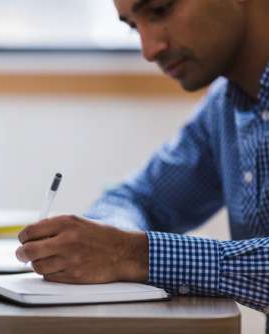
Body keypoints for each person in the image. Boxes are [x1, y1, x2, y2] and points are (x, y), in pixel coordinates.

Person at [15, 0, 269, 323]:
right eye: (134, 26)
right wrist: (104, 245)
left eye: (160, 10)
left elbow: (130, 250)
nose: (149, 50)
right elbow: (138, 198)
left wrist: (133, 254)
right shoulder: (224, 107)